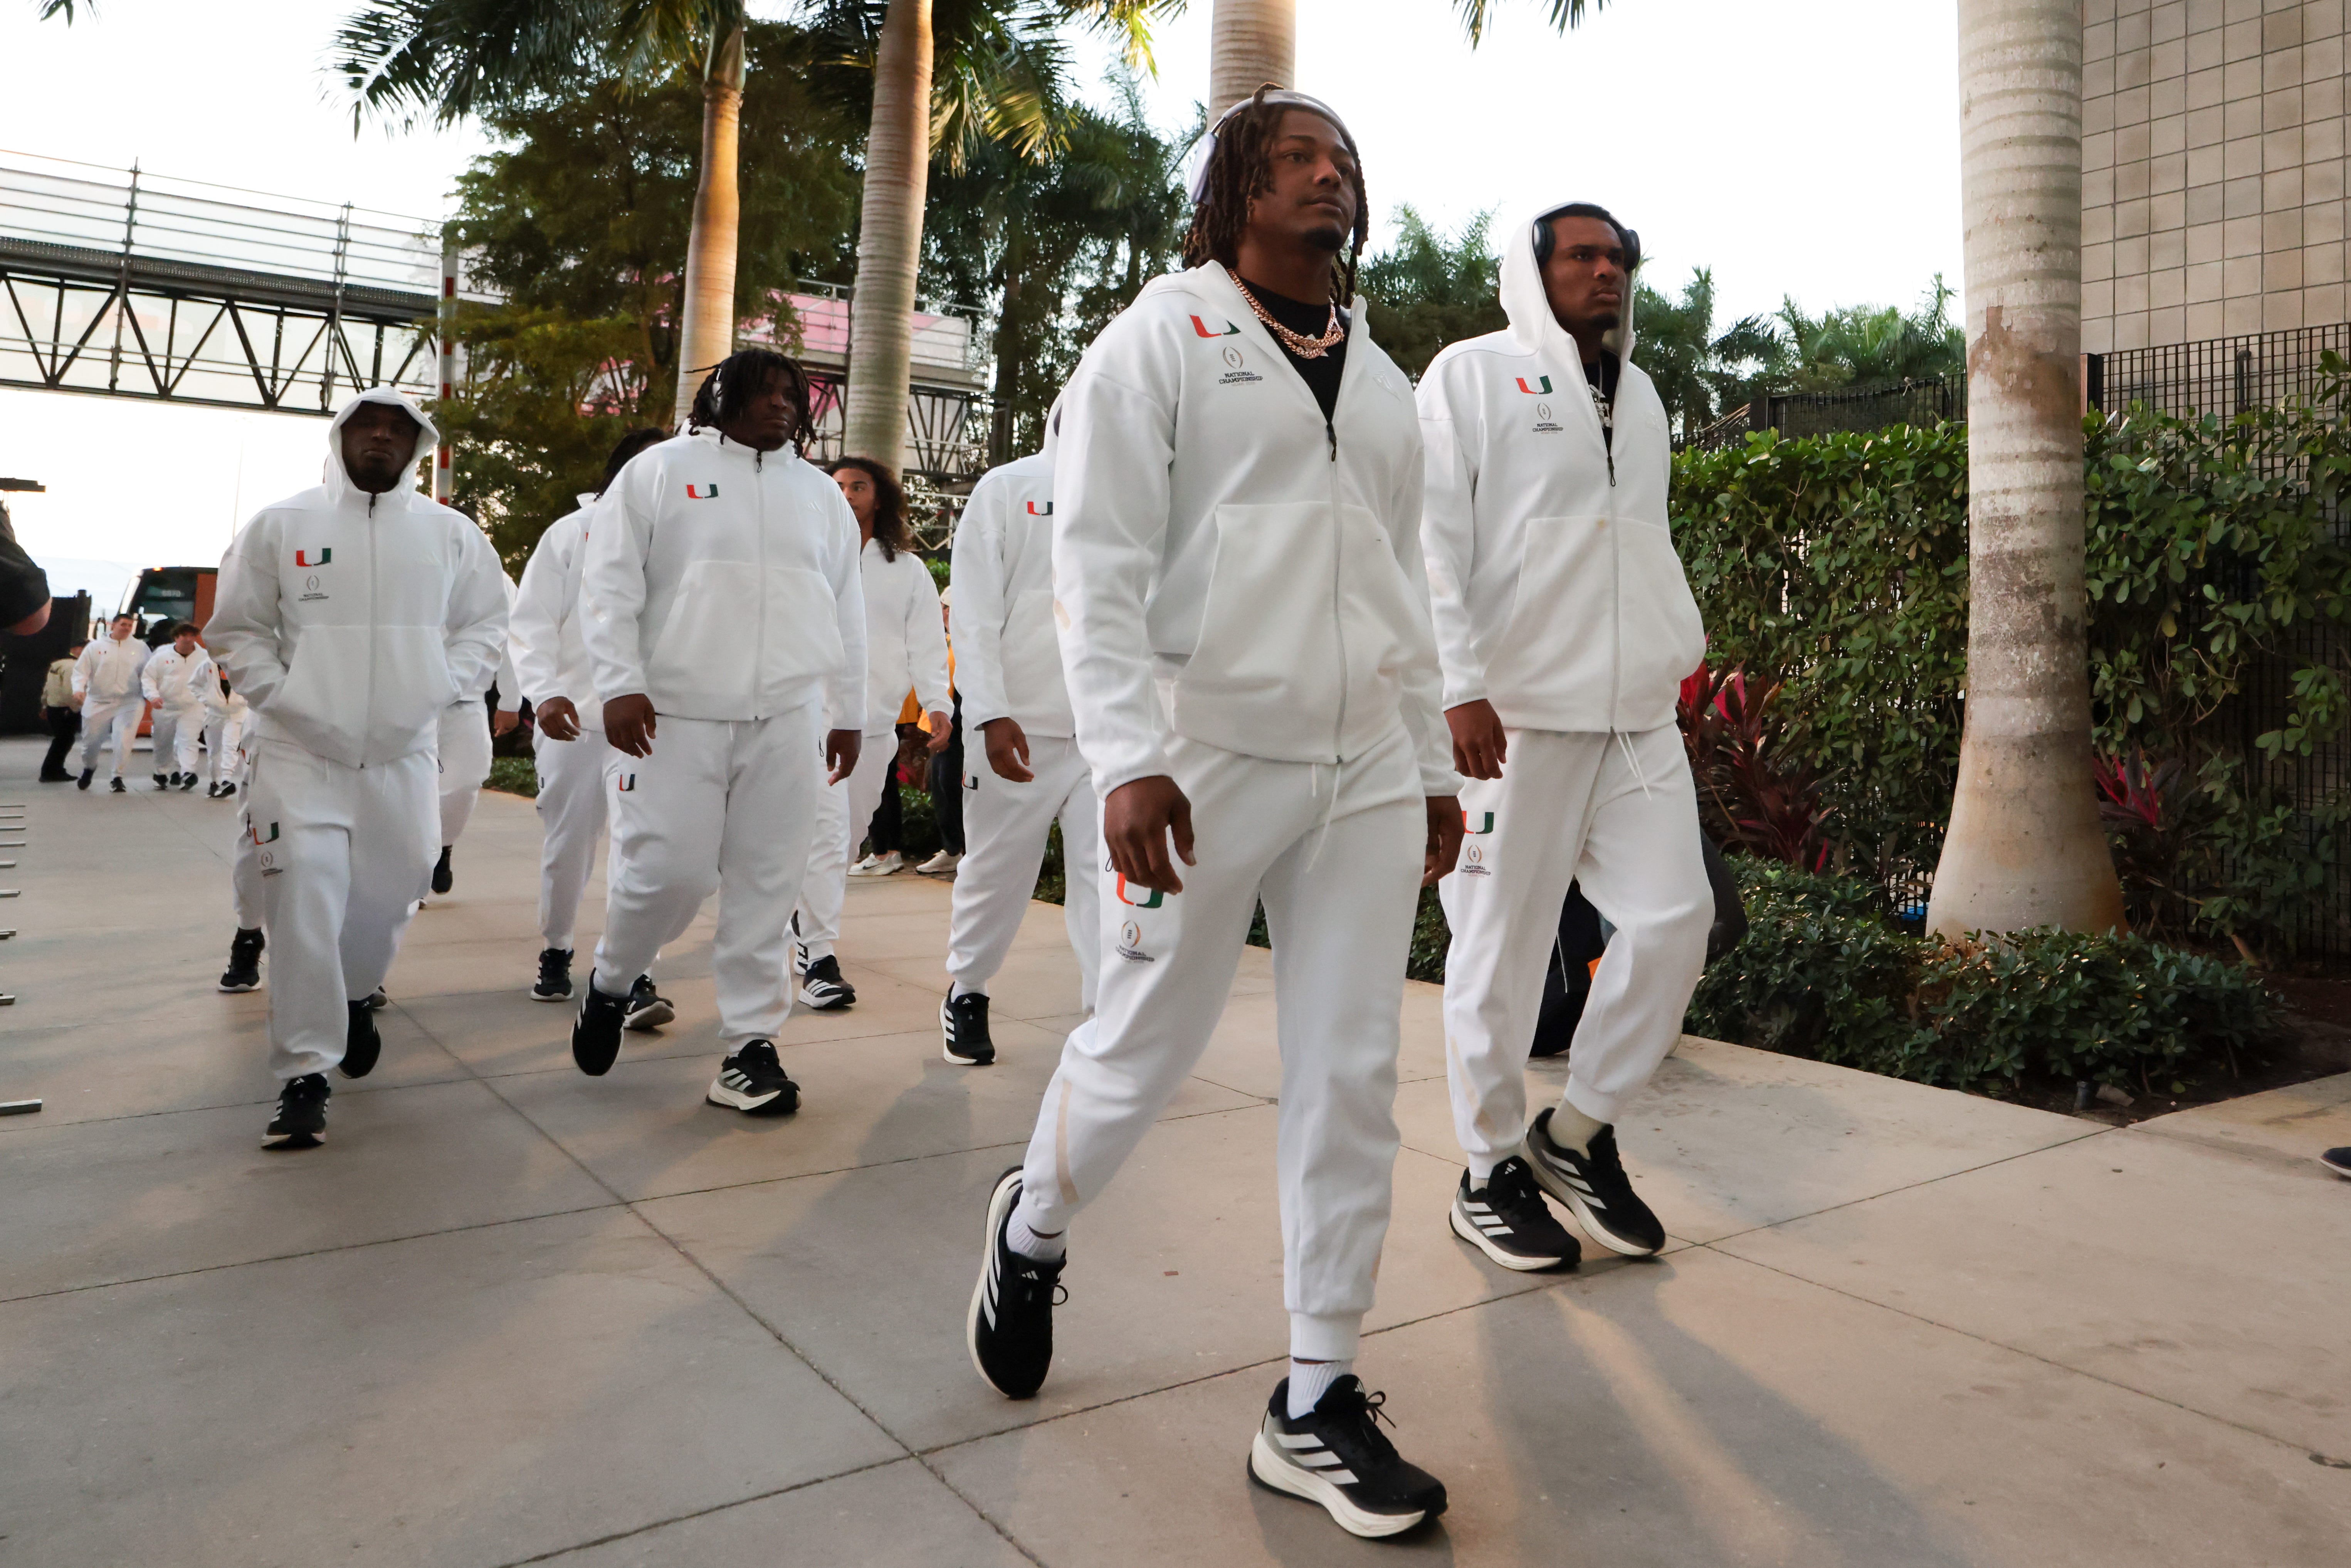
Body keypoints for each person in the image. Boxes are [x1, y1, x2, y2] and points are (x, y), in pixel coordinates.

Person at [966, 89, 1460, 1540]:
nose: (1329, 175)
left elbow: (1402, 582)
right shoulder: (1156, 341)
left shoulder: (1376, 372)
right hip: (1200, 752)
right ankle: (1032, 1223)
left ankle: (1314, 1391)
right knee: (1144, 1041)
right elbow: (1096, 566)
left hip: (1360, 753)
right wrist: (1124, 753)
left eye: (1344, 160)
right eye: (1297, 157)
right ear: (1234, 188)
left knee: (1351, 1063)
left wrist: (1428, 758)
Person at [1416, 199, 1713, 1272]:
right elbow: (1430, 541)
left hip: (1632, 716)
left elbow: (1639, 542)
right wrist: (1455, 685)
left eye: (1617, 257)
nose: (1605, 271)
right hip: (1511, 720)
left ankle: (1576, 1130)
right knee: (1495, 954)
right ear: (1531, 270)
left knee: (1677, 919)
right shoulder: (1469, 375)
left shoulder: (1639, 398)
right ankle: (1486, 1166)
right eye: (1581, 255)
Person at [208, 386, 509, 1150]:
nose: (381, 438)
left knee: (397, 885)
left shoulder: (450, 534)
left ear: (419, 448)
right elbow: (238, 629)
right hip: (299, 752)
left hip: (404, 754)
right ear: (340, 437)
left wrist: (442, 687)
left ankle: (350, 995)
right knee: (304, 894)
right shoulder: (282, 523)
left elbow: (484, 624)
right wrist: (285, 697)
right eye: (366, 426)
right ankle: (304, 1071)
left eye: (397, 430)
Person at [573, 348, 866, 1115]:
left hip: (788, 718)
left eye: (791, 395)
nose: (780, 405)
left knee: (768, 886)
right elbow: (607, 584)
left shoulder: (819, 496)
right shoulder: (660, 473)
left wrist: (847, 711)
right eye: (764, 392)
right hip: (675, 717)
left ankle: (748, 1048)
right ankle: (611, 979)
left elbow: (847, 610)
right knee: (666, 872)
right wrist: (622, 684)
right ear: (720, 396)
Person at [938, 419, 1101, 1066]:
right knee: (997, 872)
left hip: (1106, 731)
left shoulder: (1148, 487)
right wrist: (988, 711)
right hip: (1018, 726)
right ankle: (968, 988)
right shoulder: (1009, 487)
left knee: (1107, 884)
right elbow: (974, 612)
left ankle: (1107, 1022)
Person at [508, 427, 672, 1017]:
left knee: (642, 851)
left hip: (651, 730)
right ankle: (556, 949)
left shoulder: (676, 536)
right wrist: (546, 694)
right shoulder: (569, 535)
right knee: (570, 846)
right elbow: (530, 623)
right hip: (574, 725)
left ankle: (633, 972)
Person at [791, 455, 949, 1010]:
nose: (848, 494)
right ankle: (818, 953)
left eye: (859, 486)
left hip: (874, 727)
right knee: (829, 840)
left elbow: (927, 644)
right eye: (838, 485)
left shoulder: (904, 569)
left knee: (850, 836)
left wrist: (938, 705)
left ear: (879, 498)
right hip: (807, 721)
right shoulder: (804, 554)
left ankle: (798, 918)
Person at [427, 576, 521, 896]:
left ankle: (443, 846)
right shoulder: (407, 557)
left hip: (467, 701)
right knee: (408, 789)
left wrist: (510, 701)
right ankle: (413, 874)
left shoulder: (497, 578)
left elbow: (513, 640)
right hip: (409, 703)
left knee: (465, 783)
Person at [72, 613, 150, 792]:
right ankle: (89, 768)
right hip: (98, 701)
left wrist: (151, 693)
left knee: (123, 741)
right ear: (113, 626)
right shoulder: (95, 648)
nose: (127, 628)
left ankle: (117, 777)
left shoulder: (141, 648)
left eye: (130, 625)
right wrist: (78, 689)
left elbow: (149, 673)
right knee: (91, 744)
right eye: (123, 624)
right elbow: (81, 672)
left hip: (129, 702)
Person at [918, 590, 965, 876]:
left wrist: (952, 727)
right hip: (940, 728)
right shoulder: (946, 642)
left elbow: (963, 693)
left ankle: (963, 849)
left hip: (958, 730)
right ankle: (952, 849)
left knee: (952, 786)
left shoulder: (966, 644)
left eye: (947, 608)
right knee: (940, 785)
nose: (943, 613)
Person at [141, 622, 215, 791]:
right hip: (165, 706)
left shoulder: (204, 657)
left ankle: (188, 772)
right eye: (185, 636)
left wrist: (208, 700)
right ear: (176, 638)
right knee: (163, 742)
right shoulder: (162, 655)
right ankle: (161, 772)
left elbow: (211, 681)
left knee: (189, 739)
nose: (189, 640)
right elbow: (149, 677)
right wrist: (153, 696)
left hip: (192, 706)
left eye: (192, 636)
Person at [39, 638, 84, 782]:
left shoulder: (56, 665)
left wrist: (45, 705)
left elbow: (47, 688)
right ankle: (52, 772)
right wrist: (75, 708)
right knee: (64, 740)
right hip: (66, 708)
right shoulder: (74, 666)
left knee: (61, 740)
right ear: (77, 650)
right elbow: (70, 690)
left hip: (54, 707)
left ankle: (54, 770)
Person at [201, 671, 250, 798]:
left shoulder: (240, 665)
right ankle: (215, 782)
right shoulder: (208, 665)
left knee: (231, 745)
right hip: (215, 714)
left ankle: (226, 779)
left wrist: (245, 701)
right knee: (214, 750)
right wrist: (206, 699)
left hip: (237, 713)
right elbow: (194, 683)